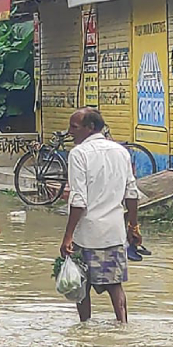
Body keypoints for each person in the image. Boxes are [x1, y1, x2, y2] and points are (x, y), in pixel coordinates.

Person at [59, 107, 141, 323]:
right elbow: (131, 193)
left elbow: (78, 200)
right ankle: (123, 327)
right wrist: (133, 227)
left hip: (86, 234)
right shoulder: (121, 152)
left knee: (81, 285)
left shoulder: (78, 154)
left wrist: (68, 236)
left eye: (74, 127)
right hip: (113, 233)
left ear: (90, 128)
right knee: (115, 285)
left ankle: (85, 329)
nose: (70, 132)